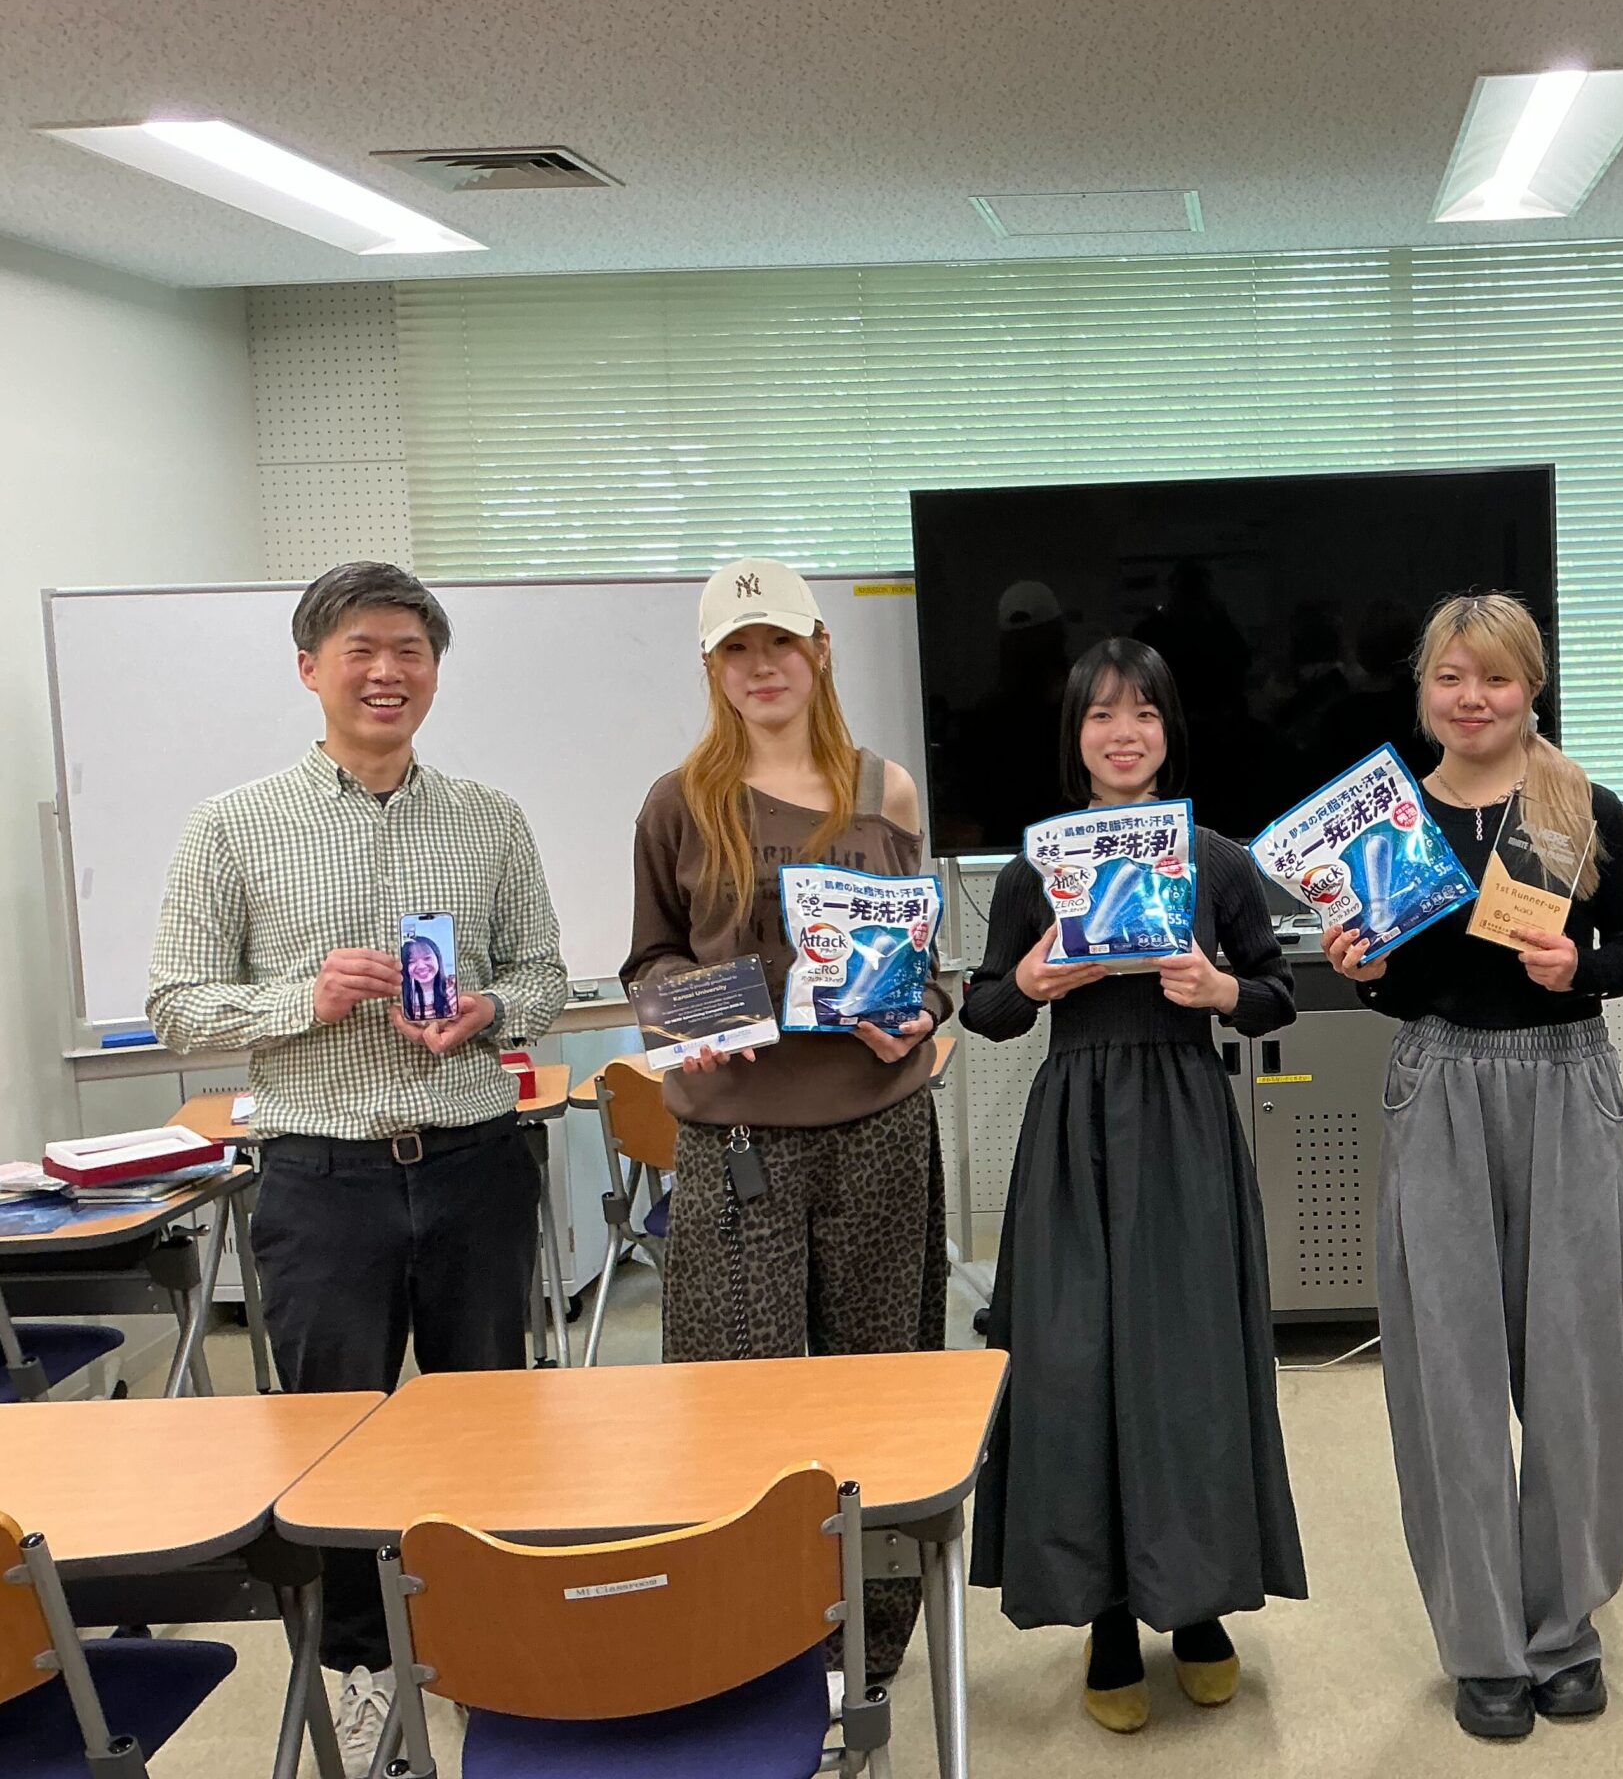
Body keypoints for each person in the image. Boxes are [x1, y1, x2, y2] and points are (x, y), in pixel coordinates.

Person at [146, 562, 568, 1769]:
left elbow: (547, 973)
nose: (388, 672)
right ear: (310, 669)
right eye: (361, 651)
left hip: (475, 1157)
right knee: (333, 1437)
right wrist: (306, 998)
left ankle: (489, 1647)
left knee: (488, 1421)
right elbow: (176, 1005)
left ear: (434, 670)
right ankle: (361, 1668)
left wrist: (490, 1008)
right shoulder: (231, 826)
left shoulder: (490, 818)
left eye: (410, 651)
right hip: (321, 1173)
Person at [1322, 592, 1623, 1741]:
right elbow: (1406, 988)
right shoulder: (1386, 823)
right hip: (1440, 1085)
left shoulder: (1577, 805)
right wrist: (1363, 972)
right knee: (1449, 1377)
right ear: (1423, 691)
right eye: (1450, 679)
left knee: (1578, 1369)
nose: (1473, 700)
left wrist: (1582, 968)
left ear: (1531, 688)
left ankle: (1563, 1630)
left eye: (1497, 679)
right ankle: (1483, 1646)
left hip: (1567, 1083)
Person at [963, 637, 1306, 1733]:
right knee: (1075, 1366)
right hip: (1073, 1131)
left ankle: (1196, 1604)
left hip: (1184, 1121)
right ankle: (1107, 1614)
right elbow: (983, 1009)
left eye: (1145, 713)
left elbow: (1278, 991)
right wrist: (1028, 978)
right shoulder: (1033, 869)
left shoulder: (1214, 861)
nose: (1124, 734)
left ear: (1170, 732)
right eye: (1102, 715)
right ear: (1075, 737)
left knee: (1189, 1365)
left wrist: (1219, 991)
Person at [623, 557, 949, 1684]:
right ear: (711, 667)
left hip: (879, 1129)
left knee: (879, 1391)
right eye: (737, 649)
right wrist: (694, 1016)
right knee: (738, 1401)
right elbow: (649, 965)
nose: (762, 667)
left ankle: (874, 1642)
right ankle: (753, 1637)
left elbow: (922, 958)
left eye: (780, 643)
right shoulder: (678, 801)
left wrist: (919, 1013)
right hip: (737, 1145)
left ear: (819, 651)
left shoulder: (885, 789)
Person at [399, 932, 456, 1022]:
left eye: (427, 958)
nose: (421, 966)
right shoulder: (406, 996)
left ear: (437, 958)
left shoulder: (453, 983)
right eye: (411, 961)